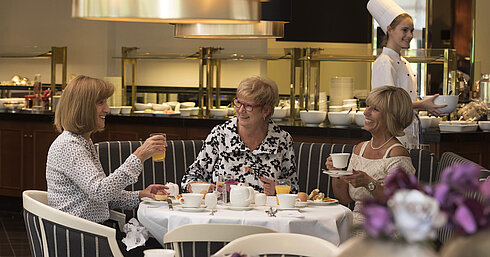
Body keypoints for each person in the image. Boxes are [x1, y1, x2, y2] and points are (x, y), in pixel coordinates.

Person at [46, 75, 167, 255]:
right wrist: (139, 156)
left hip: (87, 233)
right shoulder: (69, 146)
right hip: (81, 240)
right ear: (83, 107)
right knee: (160, 249)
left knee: (157, 246)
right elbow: (101, 191)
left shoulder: (81, 142)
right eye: (100, 103)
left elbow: (100, 196)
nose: (107, 110)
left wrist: (140, 195)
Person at [181, 76, 299, 195]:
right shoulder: (220, 134)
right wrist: (201, 187)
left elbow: (293, 188)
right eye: (238, 103)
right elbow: (190, 178)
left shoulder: (282, 140)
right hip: (224, 211)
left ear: (266, 110)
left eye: (248, 106)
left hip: (266, 212)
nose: (240, 110)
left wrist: (277, 189)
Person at [325, 86, 416, 225]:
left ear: (391, 117)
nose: (366, 112)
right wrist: (336, 173)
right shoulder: (360, 148)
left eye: (375, 109)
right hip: (354, 223)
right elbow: (344, 198)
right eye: (367, 106)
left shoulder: (397, 154)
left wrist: (369, 183)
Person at [367, 0, 446, 146]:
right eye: (405, 30)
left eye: (411, 30)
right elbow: (388, 103)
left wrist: (428, 105)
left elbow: (406, 100)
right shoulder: (384, 62)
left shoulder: (405, 63)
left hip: (408, 131)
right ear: (389, 29)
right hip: (392, 133)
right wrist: (423, 104)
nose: (409, 35)